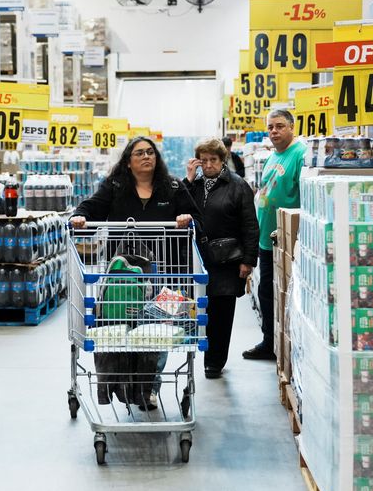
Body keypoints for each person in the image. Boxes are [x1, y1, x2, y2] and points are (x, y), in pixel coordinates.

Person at [71, 136, 202, 410]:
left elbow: (194, 215)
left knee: (157, 330)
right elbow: (92, 206)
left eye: (151, 152)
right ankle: (123, 386)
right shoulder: (115, 186)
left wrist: (186, 218)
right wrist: (80, 216)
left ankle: (149, 389)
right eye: (140, 153)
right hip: (123, 274)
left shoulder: (174, 186)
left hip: (166, 272)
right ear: (128, 162)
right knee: (124, 328)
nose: (146, 157)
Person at [185, 138, 258, 378]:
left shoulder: (238, 186)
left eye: (212, 160)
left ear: (222, 160)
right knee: (202, 310)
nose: (207, 165)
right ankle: (206, 355)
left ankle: (214, 361)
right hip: (198, 258)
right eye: (203, 160)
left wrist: (248, 261)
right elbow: (179, 208)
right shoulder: (193, 186)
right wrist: (188, 178)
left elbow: (250, 225)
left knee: (222, 312)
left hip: (228, 259)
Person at [242, 109, 305, 361]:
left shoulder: (299, 154)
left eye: (279, 126)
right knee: (267, 292)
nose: (274, 131)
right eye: (270, 127)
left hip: (285, 240)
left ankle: (282, 344)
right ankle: (270, 341)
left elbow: (305, 199)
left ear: (291, 127)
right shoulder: (272, 156)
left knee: (285, 293)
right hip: (266, 238)